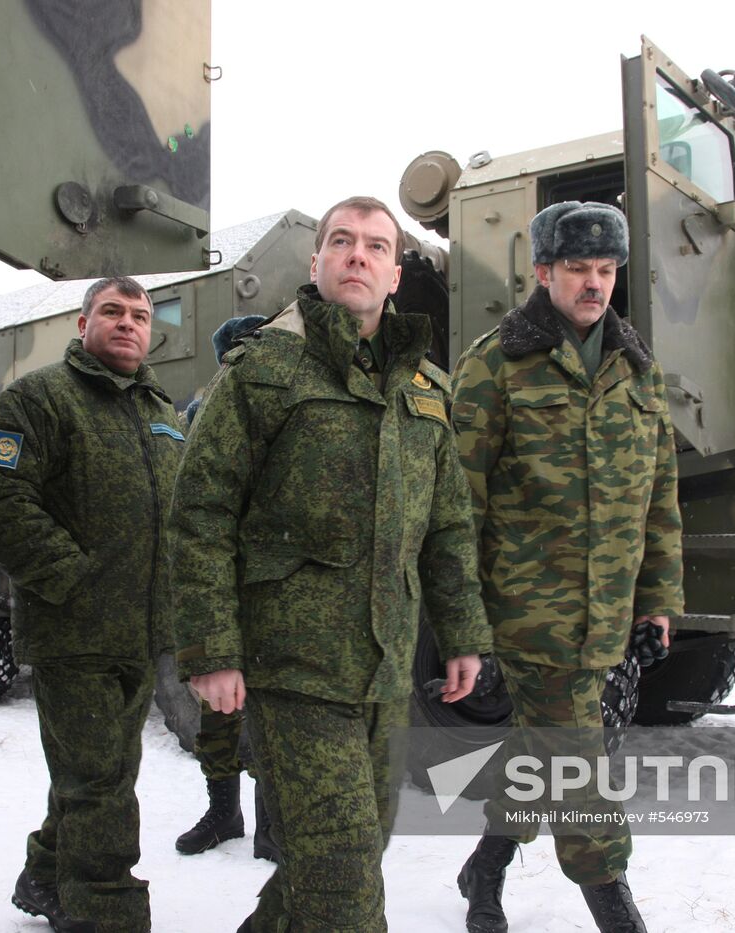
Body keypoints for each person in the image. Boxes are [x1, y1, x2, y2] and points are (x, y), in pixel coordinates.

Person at [168, 196, 492, 932]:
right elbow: (201, 510)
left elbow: (446, 527)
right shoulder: (263, 370)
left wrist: (464, 633)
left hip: (384, 667)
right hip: (291, 668)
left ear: (395, 275)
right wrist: (211, 648)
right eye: (341, 242)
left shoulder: (426, 391)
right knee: (343, 877)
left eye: (377, 246)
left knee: (346, 851)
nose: (358, 255)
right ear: (315, 264)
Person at [449, 201, 684, 933]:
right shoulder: (496, 364)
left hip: (607, 615)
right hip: (524, 615)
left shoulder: (639, 372)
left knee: (541, 747)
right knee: (578, 758)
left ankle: (485, 862)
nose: (594, 283)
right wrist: (465, 626)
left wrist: (657, 603)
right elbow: (457, 506)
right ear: (543, 271)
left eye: (606, 270)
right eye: (578, 268)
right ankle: (614, 902)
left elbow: (660, 502)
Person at [0, 276, 184, 933]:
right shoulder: (38, 400)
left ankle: (44, 876)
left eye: (140, 315)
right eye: (112, 312)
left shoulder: (162, 412)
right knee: (100, 785)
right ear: (83, 320)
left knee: (100, 774)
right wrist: (74, 580)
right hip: (73, 633)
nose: (128, 324)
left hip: (141, 634)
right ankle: (102, 911)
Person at [173, 315, 279, 865]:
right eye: (239, 350)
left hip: (272, 587)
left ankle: (269, 822)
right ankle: (224, 811)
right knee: (215, 712)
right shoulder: (203, 414)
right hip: (221, 587)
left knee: (271, 711)